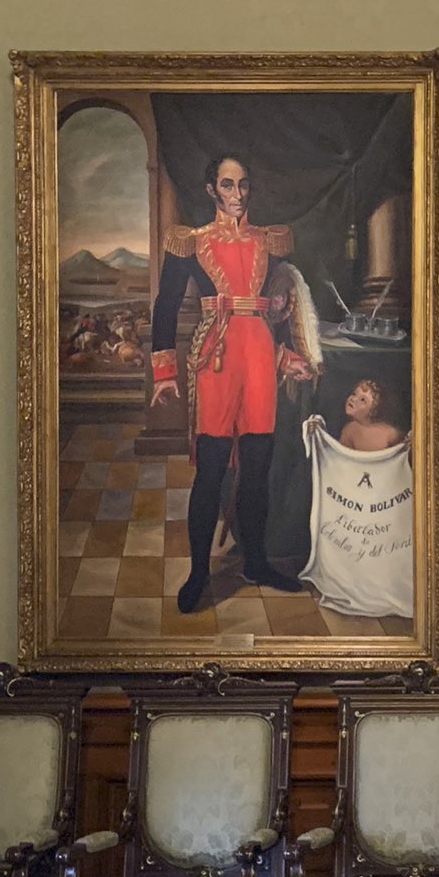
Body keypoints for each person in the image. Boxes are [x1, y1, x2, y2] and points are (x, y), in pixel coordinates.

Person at [151, 151, 317, 614]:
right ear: (212, 190)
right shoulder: (190, 242)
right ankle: (198, 572)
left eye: (243, 184)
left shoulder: (270, 241)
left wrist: (288, 356)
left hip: (260, 359)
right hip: (216, 360)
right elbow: (166, 307)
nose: (237, 194)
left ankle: (256, 563)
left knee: (258, 468)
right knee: (211, 471)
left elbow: (284, 305)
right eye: (228, 185)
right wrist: (163, 371)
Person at [337, 378, 406, 452]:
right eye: (354, 394)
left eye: (363, 400)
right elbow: (342, 456)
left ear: (373, 411)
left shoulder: (390, 434)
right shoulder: (349, 430)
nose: (353, 399)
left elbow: (404, 452)